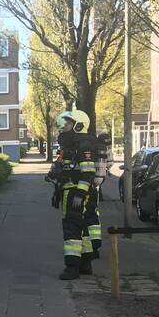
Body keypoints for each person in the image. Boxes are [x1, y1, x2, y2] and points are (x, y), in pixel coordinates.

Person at [46, 109, 98, 280]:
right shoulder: (70, 146)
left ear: (78, 126)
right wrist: (54, 173)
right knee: (81, 228)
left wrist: (80, 194)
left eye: (68, 124)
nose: (64, 127)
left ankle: (72, 268)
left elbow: (88, 173)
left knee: (72, 229)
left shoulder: (84, 146)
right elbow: (63, 165)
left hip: (76, 191)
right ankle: (85, 264)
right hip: (70, 189)